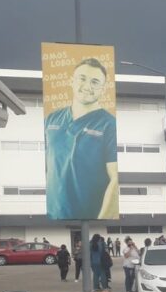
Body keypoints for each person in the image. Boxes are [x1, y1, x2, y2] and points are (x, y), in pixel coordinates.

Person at [45, 57, 118, 220]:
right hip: (54, 214)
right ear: (72, 81)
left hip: (90, 215)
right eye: (82, 79)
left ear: (103, 88)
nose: (87, 86)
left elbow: (115, 178)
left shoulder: (109, 124)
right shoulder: (52, 119)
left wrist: (101, 220)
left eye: (95, 82)